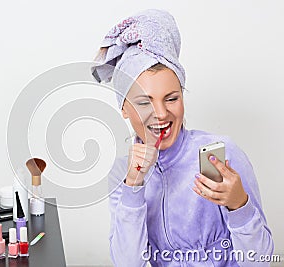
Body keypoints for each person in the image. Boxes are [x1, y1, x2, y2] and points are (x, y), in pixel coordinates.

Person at [91, 9, 274, 266]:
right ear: (124, 108)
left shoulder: (222, 154)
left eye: (172, 98)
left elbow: (261, 261)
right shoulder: (122, 172)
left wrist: (239, 206)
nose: (161, 113)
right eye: (144, 102)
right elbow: (128, 262)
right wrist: (133, 187)